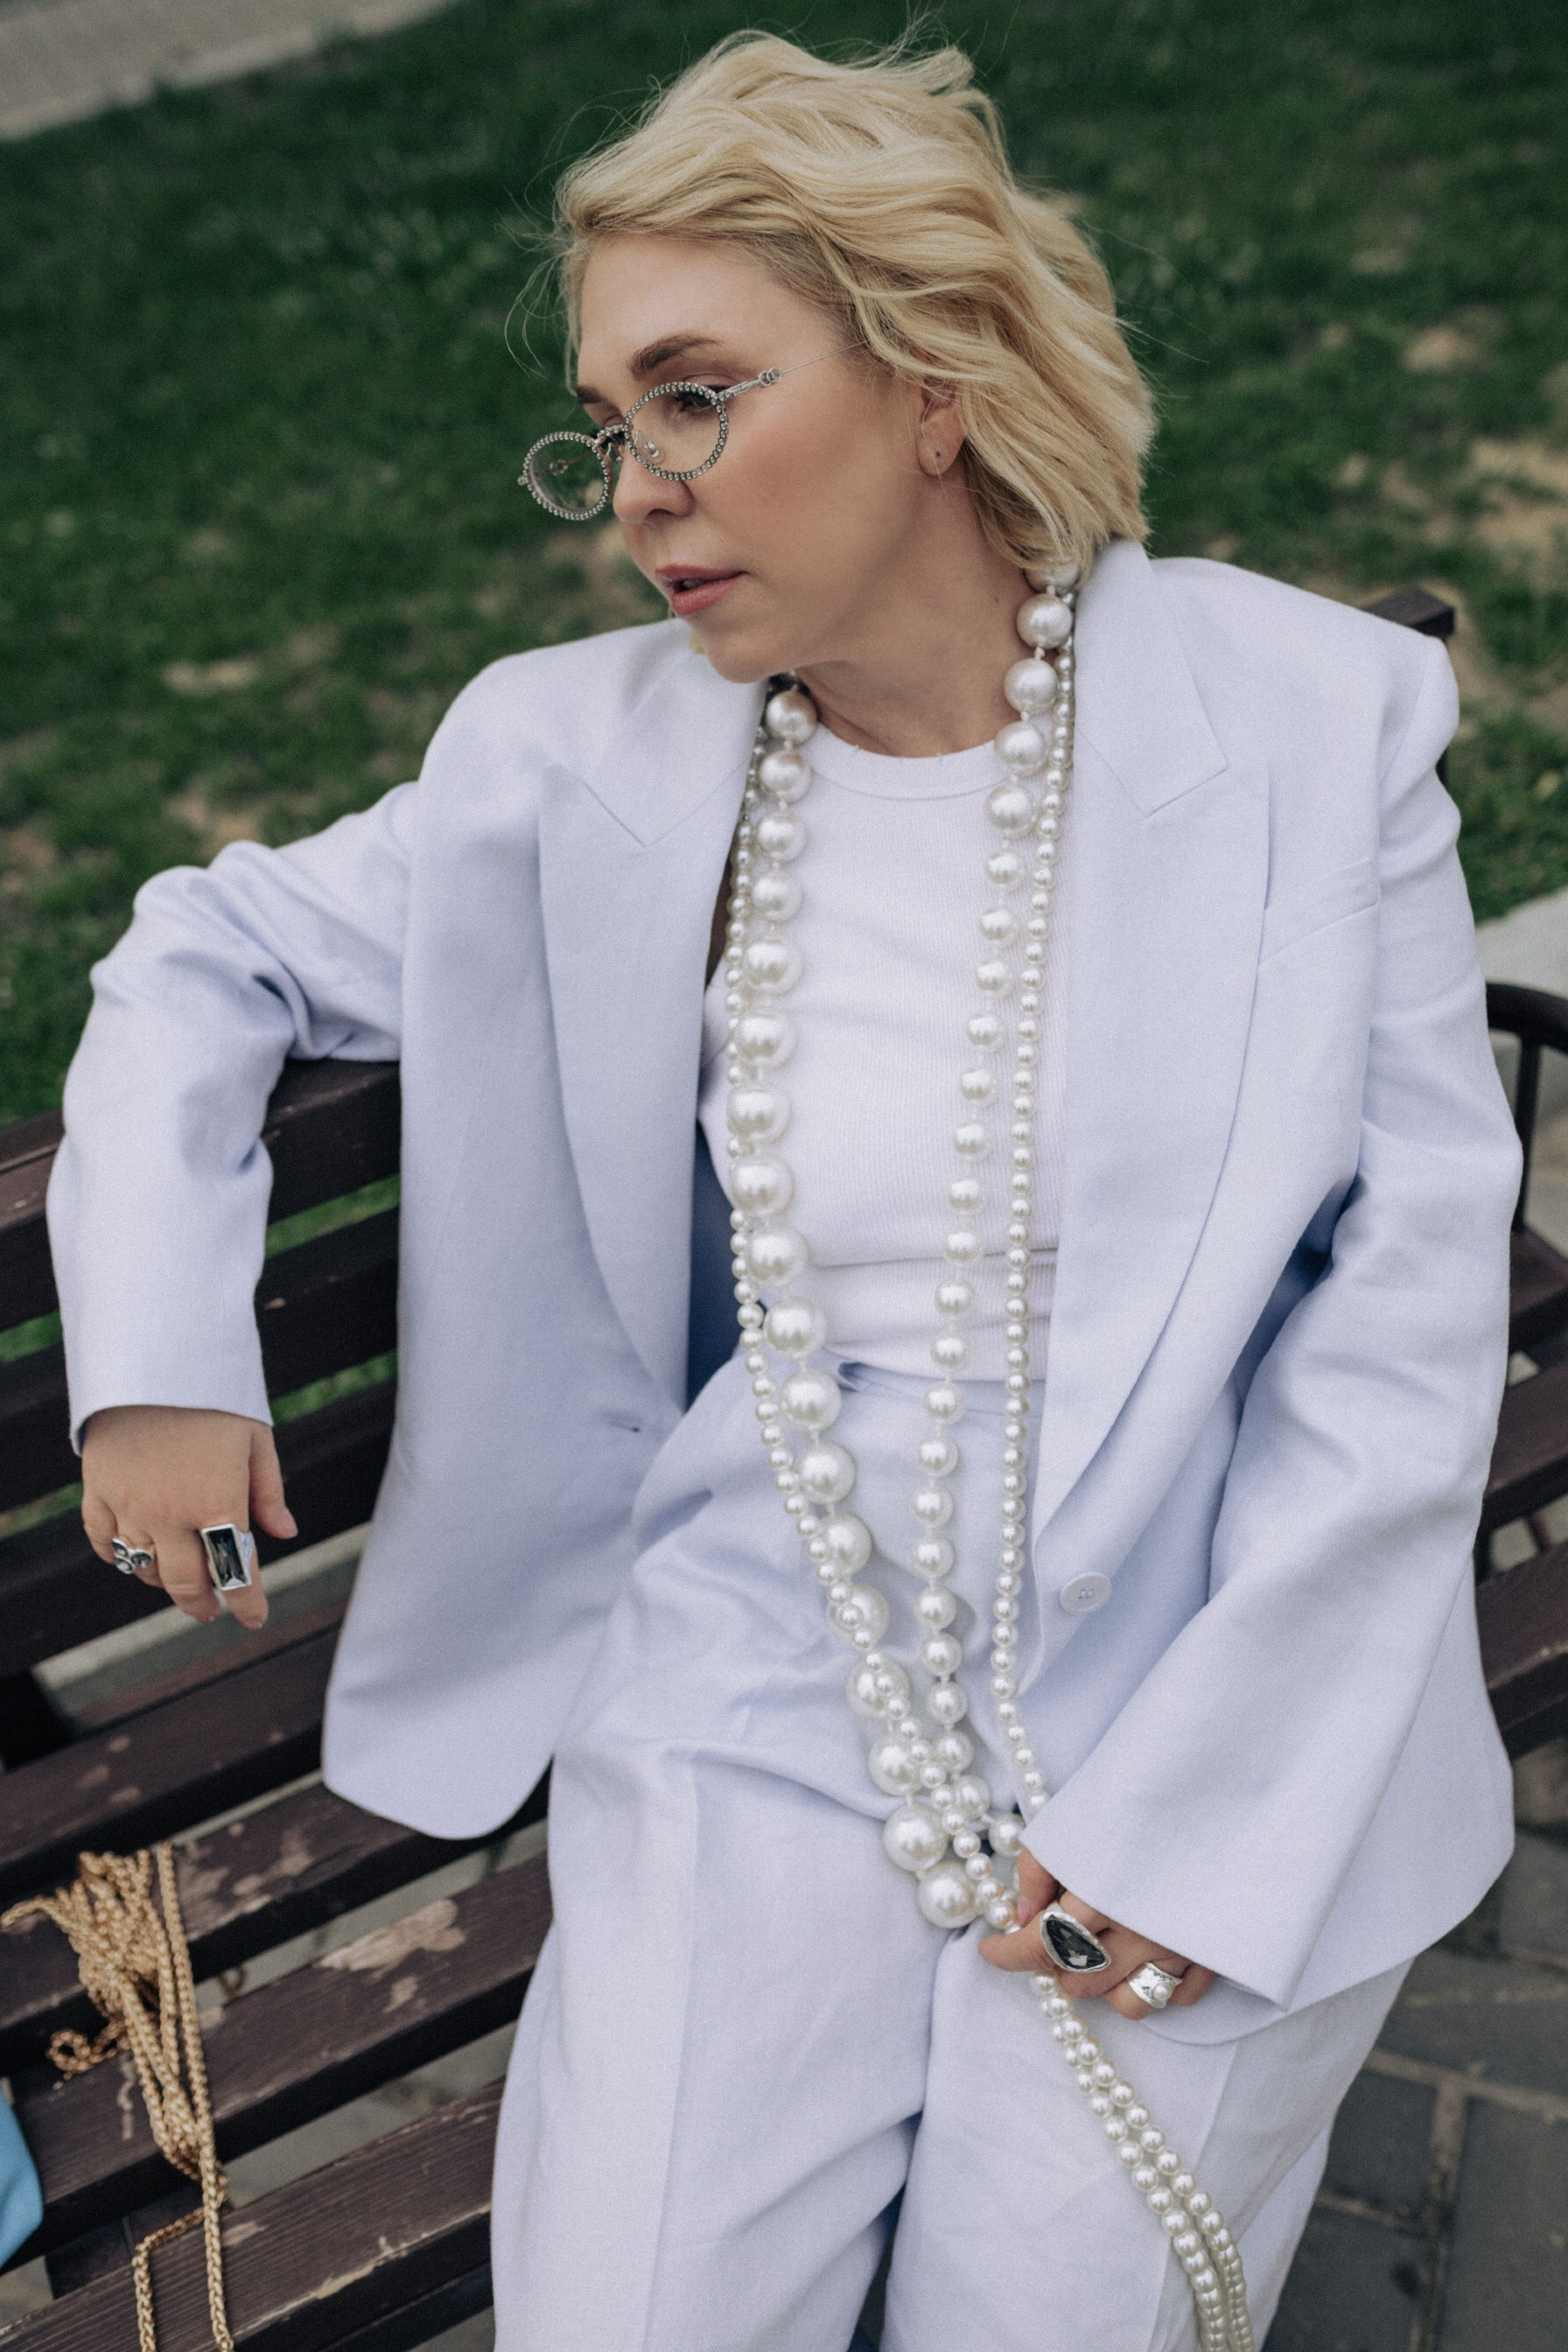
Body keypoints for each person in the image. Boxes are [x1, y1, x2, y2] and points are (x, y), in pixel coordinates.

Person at [47, 33, 1519, 2352]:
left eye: (698, 399)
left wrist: (1225, 1813)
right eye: (609, 429)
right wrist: (153, 1359)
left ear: (935, 379)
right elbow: (200, 950)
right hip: (768, 1629)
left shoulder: (1308, 733)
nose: (638, 497)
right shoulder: (574, 760)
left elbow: (1406, 1311)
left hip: (1222, 1623)